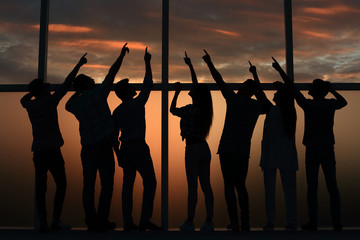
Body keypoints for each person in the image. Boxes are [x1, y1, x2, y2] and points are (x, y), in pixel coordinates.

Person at [272, 57, 347, 231]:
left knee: (312, 187)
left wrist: (280, 70)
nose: (308, 89)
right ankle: (336, 221)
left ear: (315, 91)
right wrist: (333, 90)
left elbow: (291, 86)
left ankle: (313, 221)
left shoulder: (308, 105)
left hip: (313, 149)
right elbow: (344, 102)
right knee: (332, 186)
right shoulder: (329, 104)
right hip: (327, 148)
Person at [202, 50, 270, 231]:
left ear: (243, 88)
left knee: (228, 185)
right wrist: (256, 80)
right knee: (241, 185)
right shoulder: (256, 106)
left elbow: (219, 79)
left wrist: (209, 62)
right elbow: (267, 106)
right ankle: (244, 219)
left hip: (227, 148)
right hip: (242, 150)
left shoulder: (233, 99)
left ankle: (234, 221)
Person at [65, 43, 129, 231]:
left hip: (87, 149)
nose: (94, 81)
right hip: (103, 146)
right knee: (107, 186)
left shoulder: (76, 103)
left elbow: (67, 105)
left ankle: (91, 220)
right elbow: (112, 73)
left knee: (89, 187)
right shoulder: (98, 94)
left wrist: (78, 91)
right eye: (90, 80)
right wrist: (121, 56)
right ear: (87, 84)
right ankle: (101, 220)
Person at [21, 53, 87, 233]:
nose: (48, 89)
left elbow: (24, 100)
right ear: (41, 90)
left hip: (39, 152)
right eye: (45, 87)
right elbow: (67, 83)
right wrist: (79, 64)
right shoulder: (49, 102)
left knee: (41, 188)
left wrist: (34, 92)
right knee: (61, 184)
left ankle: (42, 222)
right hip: (52, 151)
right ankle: (55, 220)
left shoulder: (31, 105)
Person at [112, 47, 161, 231]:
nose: (134, 88)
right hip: (139, 147)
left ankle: (128, 222)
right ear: (128, 92)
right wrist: (147, 62)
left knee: (128, 186)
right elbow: (148, 83)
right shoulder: (138, 104)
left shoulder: (117, 112)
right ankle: (144, 220)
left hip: (126, 148)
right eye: (131, 87)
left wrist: (118, 155)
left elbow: (113, 137)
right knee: (150, 181)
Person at [170, 52, 215, 232]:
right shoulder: (202, 109)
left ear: (197, 94)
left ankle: (190, 220)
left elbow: (172, 110)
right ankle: (209, 220)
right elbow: (196, 85)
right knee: (206, 185)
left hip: (193, 149)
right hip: (203, 147)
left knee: (193, 187)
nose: (192, 88)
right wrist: (190, 66)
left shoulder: (191, 109)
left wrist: (176, 92)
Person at [260, 61, 298, 231]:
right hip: (285, 155)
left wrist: (279, 71)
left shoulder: (276, 111)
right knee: (289, 191)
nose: (273, 94)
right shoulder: (288, 112)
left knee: (271, 191)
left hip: (271, 155)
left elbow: (290, 88)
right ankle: (290, 221)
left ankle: (271, 221)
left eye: (276, 93)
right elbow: (290, 89)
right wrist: (279, 73)